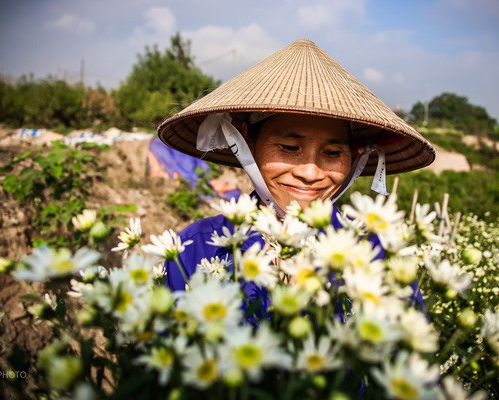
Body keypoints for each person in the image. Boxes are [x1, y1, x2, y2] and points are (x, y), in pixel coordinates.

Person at [157, 39, 435, 308]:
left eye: (333, 153)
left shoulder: (378, 253)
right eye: (289, 147)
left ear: (355, 155)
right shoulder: (195, 248)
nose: (311, 172)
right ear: (246, 143)